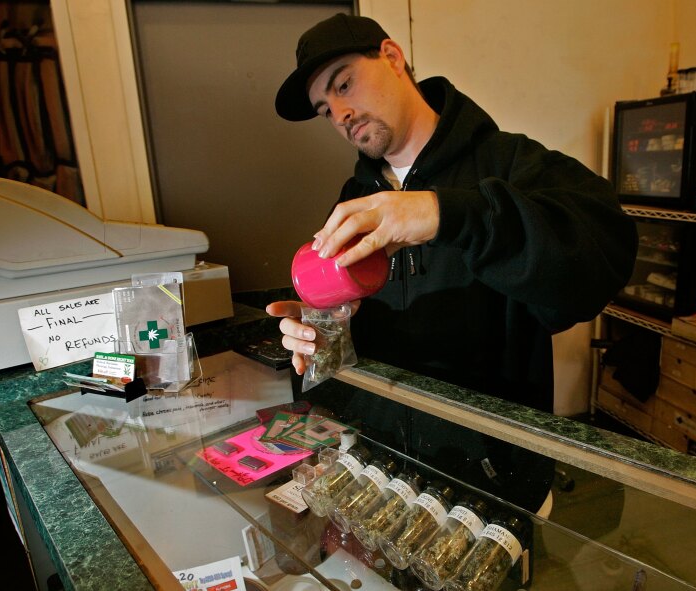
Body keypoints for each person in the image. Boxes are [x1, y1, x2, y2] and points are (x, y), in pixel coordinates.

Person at [267, 13, 637, 511]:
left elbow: (601, 260)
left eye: (345, 84)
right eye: (324, 109)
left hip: (493, 487)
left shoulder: (509, 164)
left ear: (393, 58)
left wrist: (446, 213)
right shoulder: (353, 198)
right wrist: (322, 329)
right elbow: (359, 330)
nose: (340, 114)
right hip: (386, 475)